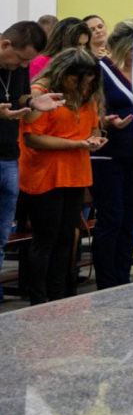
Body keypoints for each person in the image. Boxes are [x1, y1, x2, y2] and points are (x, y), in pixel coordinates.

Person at [19, 48, 107, 304]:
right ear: (63, 73)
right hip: (46, 175)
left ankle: (58, 296)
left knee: (67, 237)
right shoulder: (42, 96)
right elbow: (32, 138)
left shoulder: (87, 98)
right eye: (77, 80)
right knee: (45, 239)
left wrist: (95, 139)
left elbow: (91, 129)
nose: (83, 86)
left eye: (89, 81)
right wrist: (77, 144)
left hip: (76, 174)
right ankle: (38, 299)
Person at [0, 21, 51, 301]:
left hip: (9, 158)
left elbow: (21, 99)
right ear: (6, 45)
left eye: (27, 62)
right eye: (20, 59)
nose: (21, 66)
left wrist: (34, 105)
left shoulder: (18, 69)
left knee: (0, 238)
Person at [92, 21, 133, 288]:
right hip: (107, 153)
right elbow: (86, 109)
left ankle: (122, 279)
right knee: (112, 217)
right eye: (131, 49)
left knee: (130, 217)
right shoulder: (102, 70)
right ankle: (107, 282)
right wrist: (105, 121)